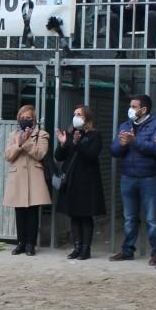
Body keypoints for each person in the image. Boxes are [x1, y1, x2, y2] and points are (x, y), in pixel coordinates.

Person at [108, 94, 156, 264]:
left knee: (152, 218)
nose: (130, 109)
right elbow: (113, 150)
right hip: (128, 176)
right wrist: (121, 145)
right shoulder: (125, 125)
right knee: (129, 217)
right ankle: (127, 250)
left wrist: (134, 141)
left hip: (149, 177)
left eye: (134, 106)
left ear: (144, 109)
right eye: (130, 106)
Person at [54, 105, 105, 260]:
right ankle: (76, 247)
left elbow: (91, 155)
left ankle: (85, 249)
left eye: (79, 114)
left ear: (87, 118)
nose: (75, 117)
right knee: (74, 215)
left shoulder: (95, 135)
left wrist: (77, 144)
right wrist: (63, 144)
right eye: (74, 114)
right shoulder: (70, 133)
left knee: (85, 215)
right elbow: (59, 157)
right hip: (72, 180)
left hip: (87, 181)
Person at [3, 105, 51, 256]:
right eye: (22, 118)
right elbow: (8, 156)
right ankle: (21, 243)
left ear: (34, 119)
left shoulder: (42, 134)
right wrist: (18, 144)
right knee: (19, 212)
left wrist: (26, 141)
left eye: (28, 118)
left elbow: (40, 154)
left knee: (32, 212)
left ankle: (31, 244)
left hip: (34, 177)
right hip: (17, 177)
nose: (25, 120)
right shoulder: (13, 135)